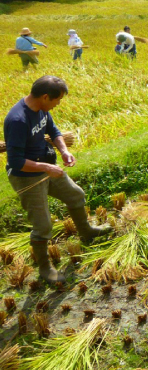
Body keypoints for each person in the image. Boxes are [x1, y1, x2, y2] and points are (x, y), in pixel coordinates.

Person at [3, 76, 110, 283]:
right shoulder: (18, 120)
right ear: (45, 96)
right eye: (57, 99)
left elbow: (53, 131)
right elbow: (15, 161)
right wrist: (46, 168)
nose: (58, 103)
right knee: (43, 225)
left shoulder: (42, 110)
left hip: (47, 167)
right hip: (27, 177)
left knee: (75, 195)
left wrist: (64, 151)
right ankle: (45, 268)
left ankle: (86, 232)